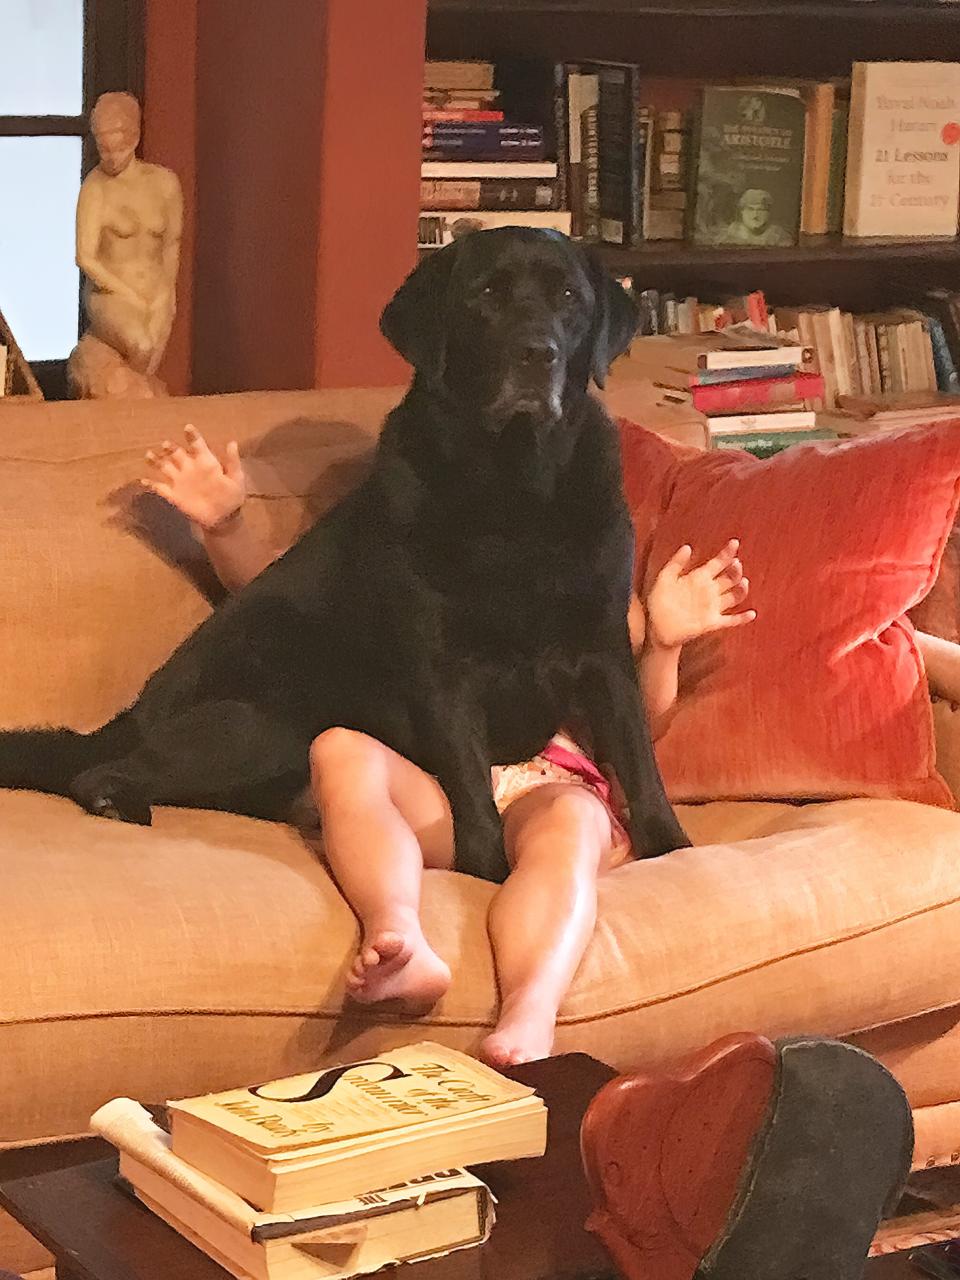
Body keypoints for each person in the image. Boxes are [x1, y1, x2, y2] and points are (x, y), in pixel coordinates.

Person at [142, 425, 758, 1067]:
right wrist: (226, 526)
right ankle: (398, 936)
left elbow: (638, 721)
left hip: (547, 783)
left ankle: (530, 1011)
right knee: (339, 750)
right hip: (439, 778)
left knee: (568, 825)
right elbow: (290, 602)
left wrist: (665, 642)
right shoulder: (411, 560)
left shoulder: (587, 581)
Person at [69, 92, 184, 398]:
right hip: (111, 295)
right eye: (103, 149)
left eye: (117, 148)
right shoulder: (95, 189)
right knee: (140, 344)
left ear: (133, 139)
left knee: (148, 366)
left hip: (155, 293)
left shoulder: (165, 183)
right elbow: (85, 257)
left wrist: (166, 294)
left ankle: (134, 403)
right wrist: (129, 294)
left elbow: (171, 244)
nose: (111, 157)